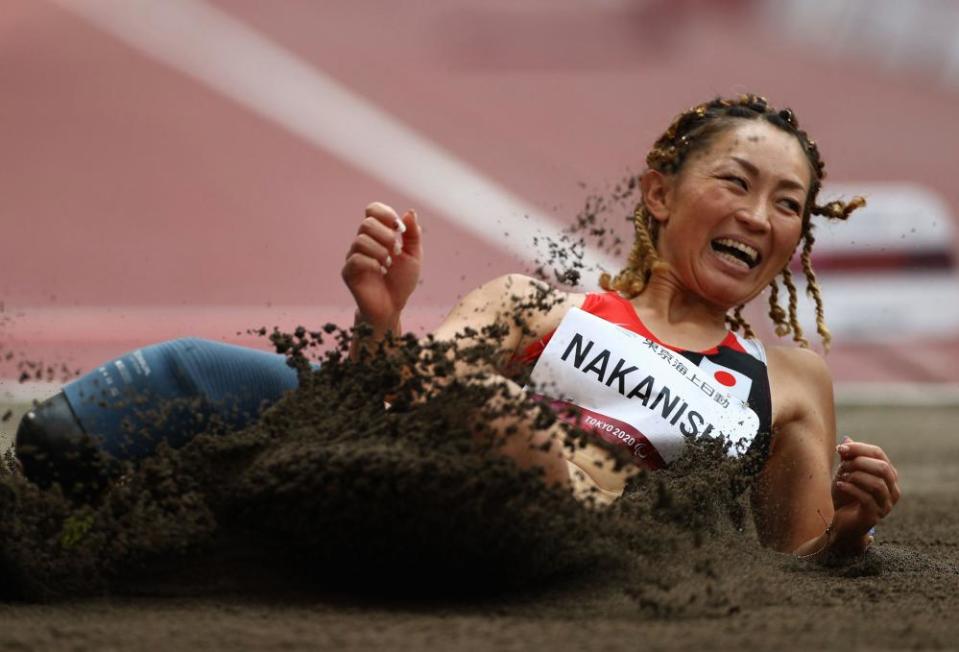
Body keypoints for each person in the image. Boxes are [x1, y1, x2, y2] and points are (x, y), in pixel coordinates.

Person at [341, 94, 900, 560]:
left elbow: (798, 560)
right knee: (478, 403)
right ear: (659, 194)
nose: (756, 216)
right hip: (456, 511)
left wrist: (848, 532)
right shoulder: (531, 307)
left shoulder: (790, 383)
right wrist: (380, 318)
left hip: (596, 558)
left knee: (499, 409)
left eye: (786, 204)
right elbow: (383, 417)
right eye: (735, 182)